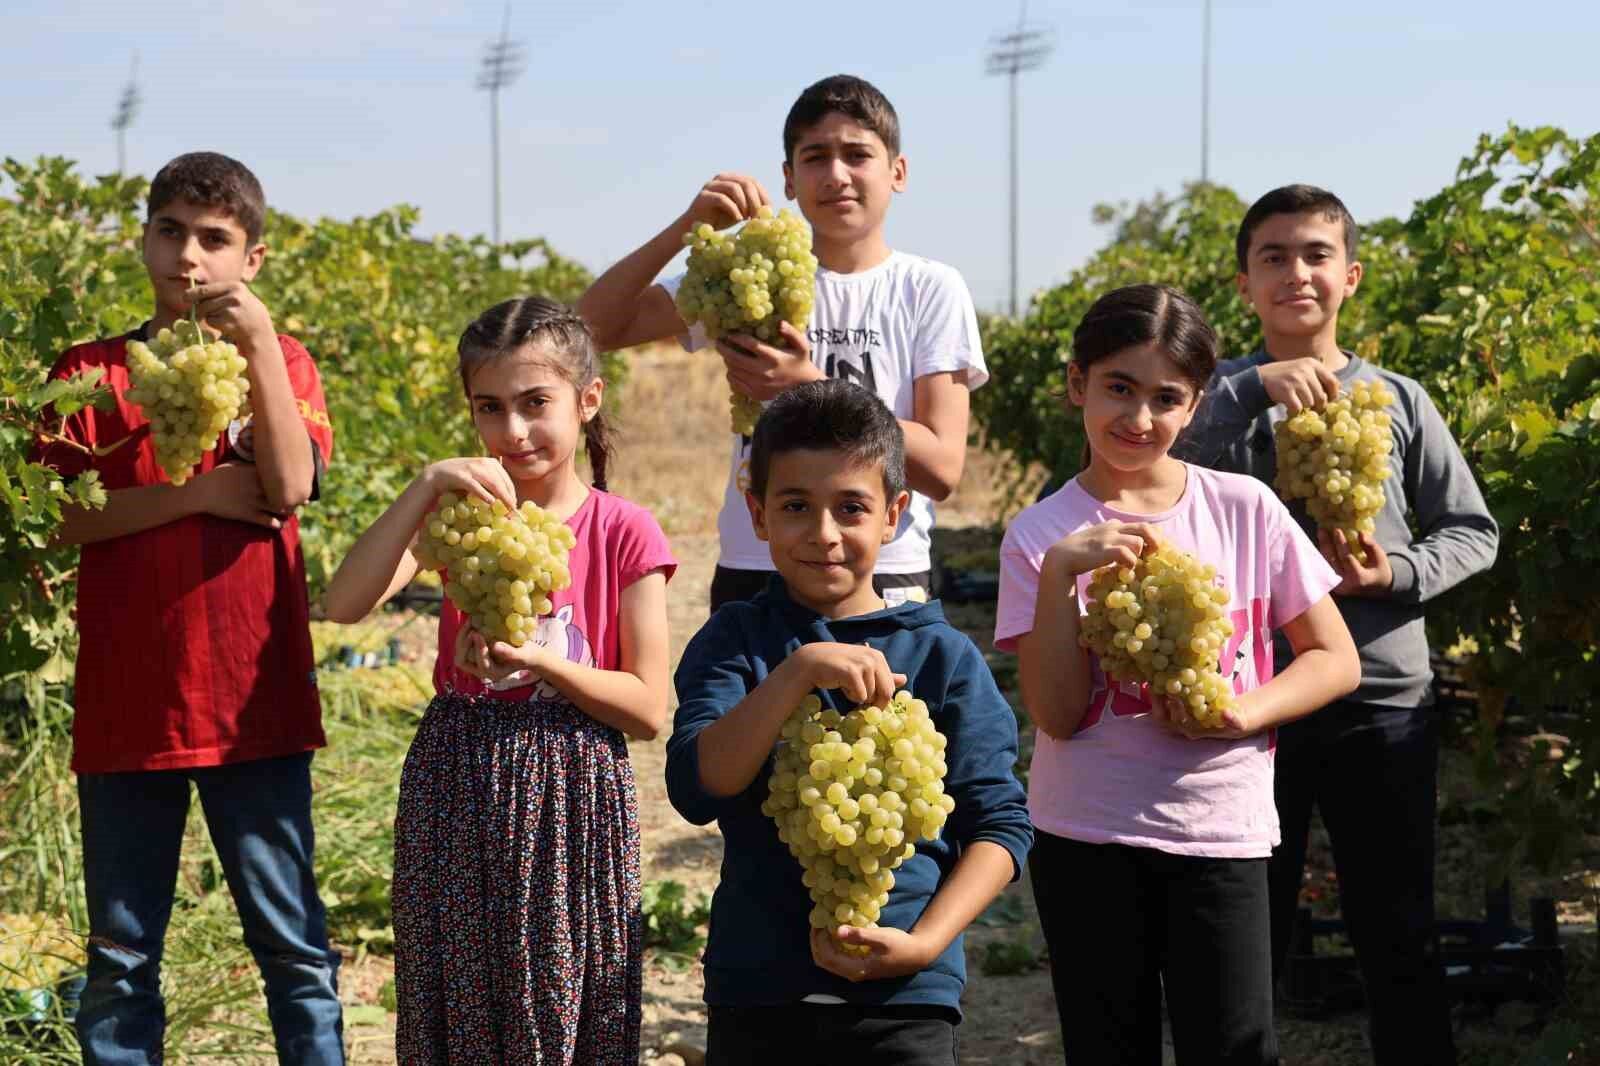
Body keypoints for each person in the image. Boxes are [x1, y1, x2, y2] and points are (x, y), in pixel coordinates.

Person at [1172, 185, 1499, 1064]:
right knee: (1246, 936)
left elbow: (1474, 532)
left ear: (1349, 277)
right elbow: (1152, 477)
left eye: (1316, 254)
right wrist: (1242, 392)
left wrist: (1394, 573)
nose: (1296, 272)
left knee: (1398, 928)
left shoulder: (1401, 400)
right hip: (1251, 702)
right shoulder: (1207, 399)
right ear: (1246, 285)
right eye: (1273, 256)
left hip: (1384, 698)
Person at [996, 283, 1362, 1065]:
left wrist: (1243, 712)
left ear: (1196, 407)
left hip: (1221, 835)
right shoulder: (1040, 536)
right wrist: (1063, 574)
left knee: (1233, 1047)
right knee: (1106, 1048)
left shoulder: (1246, 508)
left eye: (1167, 398)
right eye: (1118, 389)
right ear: (1076, 385)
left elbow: (1336, 660)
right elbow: (1057, 715)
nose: (1138, 418)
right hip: (1087, 837)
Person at [33, 150, 343, 1064]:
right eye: (170, 231)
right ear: (144, 238)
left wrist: (257, 347)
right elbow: (55, 525)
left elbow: (289, 486)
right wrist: (195, 497)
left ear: (254, 259)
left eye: (216, 239)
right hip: (130, 712)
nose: (189, 258)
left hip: (257, 707)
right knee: (122, 962)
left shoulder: (279, 363)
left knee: (292, 950)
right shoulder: (90, 372)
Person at [321, 297, 675, 1065]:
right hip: (457, 782)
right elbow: (344, 604)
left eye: (534, 404)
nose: (512, 431)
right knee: (456, 998)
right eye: (490, 408)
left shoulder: (624, 530)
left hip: (570, 793)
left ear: (588, 401)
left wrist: (543, 662)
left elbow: (649, 709)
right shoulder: (460, 518)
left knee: (559, 1000)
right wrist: (424, 487)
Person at [666, 379, 1031, 1064]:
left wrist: (926, 944)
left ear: (895, 513)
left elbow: (1001, 828)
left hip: (907, 1002)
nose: (824, 534)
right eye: (797, 506)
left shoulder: (942, 655)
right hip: (758, 995)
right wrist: (798, 671)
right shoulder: (735, 641)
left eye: (851, 508)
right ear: (757, 511)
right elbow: (699, 785)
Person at [579, 74, 985, 610]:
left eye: (857, 155)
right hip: (756, 569)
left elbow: (943, 470)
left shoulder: (929, 288)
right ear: (790, 180)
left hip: (883, 572)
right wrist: (687, 226)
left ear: (898, 172)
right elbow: (586, 333)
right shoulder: (747, 275)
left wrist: (813, 386)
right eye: (816, 157)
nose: (837, 174)